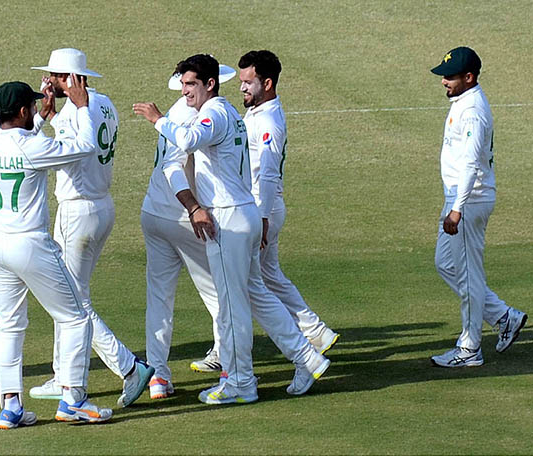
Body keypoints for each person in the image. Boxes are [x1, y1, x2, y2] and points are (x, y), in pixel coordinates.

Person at [134, 54, 330, 404]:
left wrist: (159, 119)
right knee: (258, 296)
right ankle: (307, 357)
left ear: (210, 84)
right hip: (244, 215)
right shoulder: (231, 113)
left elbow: (190, 140)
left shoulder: (213, 113)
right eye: (183, 84)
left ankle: (240, 383)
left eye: (191, 84)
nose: (185, 91)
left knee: (232, 306)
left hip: (228, 221)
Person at [0, 80, 112, 429]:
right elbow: (84, 148)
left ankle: (10, 406)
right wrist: (82, 106)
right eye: (32, 108)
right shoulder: (32, 147)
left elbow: (24, 140)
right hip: (30, 245)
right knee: (75, 318)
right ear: (23, 110)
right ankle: (73, 400)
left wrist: (40, 118)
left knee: (8, 324)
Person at [28, 48, 153, 407]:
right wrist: (54, 116)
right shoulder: (106, 103)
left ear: (70, 79)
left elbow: (70, 150)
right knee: (66, 298)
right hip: (102, 207)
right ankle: (64, 376)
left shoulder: (75, 113)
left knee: (72, 303)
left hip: (76, 212)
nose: (46, 82)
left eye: (53, 76)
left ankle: (128, 367)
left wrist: (47, 120)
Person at [141, 65, 237, 399]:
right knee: (220, 295)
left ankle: (158, 377)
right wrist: (194, 207)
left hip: (153, 212)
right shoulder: (191, 114)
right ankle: (231, 369)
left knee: (159, 297)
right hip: (183, 219)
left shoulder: (178, 110)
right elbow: (174, 167)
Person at [429, 46, 527, 367]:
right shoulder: (464, 101)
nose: (444, 81)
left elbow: (471, 163)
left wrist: (457, 208)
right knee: (446, 263)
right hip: (460, 198)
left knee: (469, 275)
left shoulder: (472, 110)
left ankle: (470, 349)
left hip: (468, 201)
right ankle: (503, 316)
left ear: (468, 77)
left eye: (450, 77)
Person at [238, 50, 339, 355]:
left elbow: (267, 174)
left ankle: (228, 350)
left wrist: (263, 219)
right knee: (270, 277)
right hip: (264, 208)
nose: (242, 87)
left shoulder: (267, 121)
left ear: (267, 83)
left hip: (261, 209)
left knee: (245, 284)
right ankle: (316, 333)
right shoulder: (258, 112)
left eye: (248, 82)